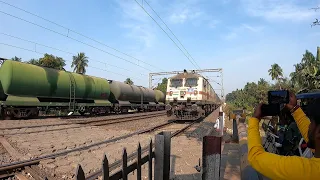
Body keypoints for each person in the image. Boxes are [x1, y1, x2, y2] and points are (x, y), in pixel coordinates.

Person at [247, 92, 320, 179]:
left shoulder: (304, 170)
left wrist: (254, 120)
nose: (309, 127)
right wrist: (295, 109)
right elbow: (314, 139)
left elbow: (255, 157)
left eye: (311, 123)